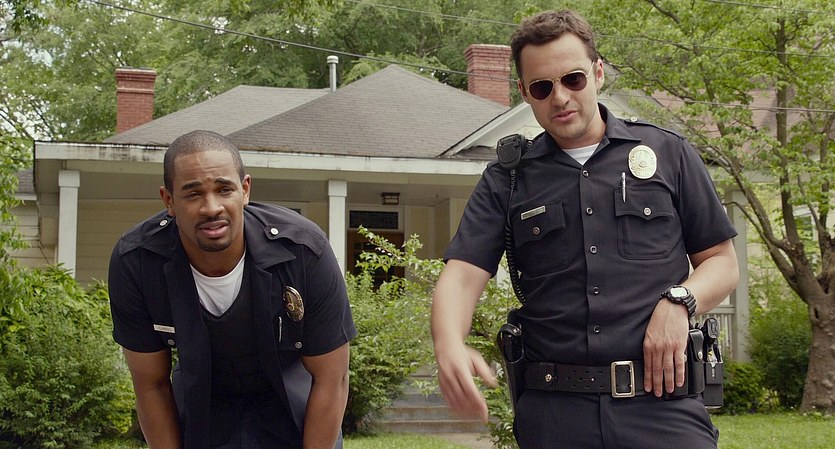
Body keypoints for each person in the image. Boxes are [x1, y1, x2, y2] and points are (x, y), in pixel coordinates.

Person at [431, 9, 739, 449]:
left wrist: (680, 302)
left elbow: (722, 263)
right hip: (554, 413)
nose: (560, 97)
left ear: (597, 73)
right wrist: (449, 344)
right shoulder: (508, 179)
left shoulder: (668, 154)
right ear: (524, 92)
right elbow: (461, 276)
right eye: (542, 87)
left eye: (573, 79)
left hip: (663, 406)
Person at [108, 130, 356, 449]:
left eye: (224, 189)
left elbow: (332, 378)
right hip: (201, 403)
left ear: (245, 189)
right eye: (193, 194)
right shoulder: (138, 262)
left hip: (293, 399)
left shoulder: (303, 250)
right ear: (169, 200)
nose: (212, 208)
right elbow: (151, 386)